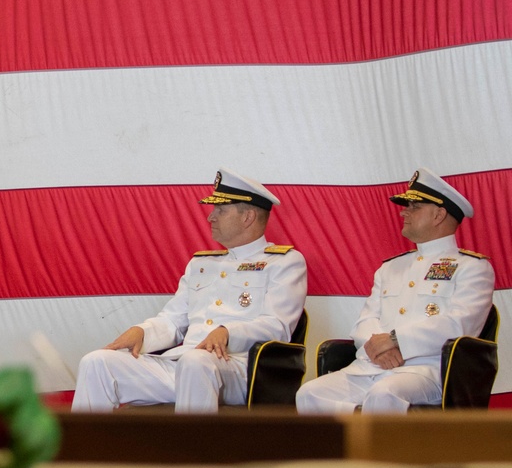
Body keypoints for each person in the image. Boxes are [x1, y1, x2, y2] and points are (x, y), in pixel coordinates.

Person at [71, 168, 307, 413]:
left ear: (247, 217)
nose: (210, 218)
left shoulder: (285, 262)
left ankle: (193, 451)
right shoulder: (201, 264)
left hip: (240, 369)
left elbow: (277, 325)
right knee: (97, 362)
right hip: (183, 363)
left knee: (196, 363)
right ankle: (87, 450)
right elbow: (173, 320)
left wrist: (228, 332)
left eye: (220, 210)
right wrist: (142, 332)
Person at [296, 167, 495, 414]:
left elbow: (459, 325)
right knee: (309, 393)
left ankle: (377, 452)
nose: (404, 212)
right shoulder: (391, 267)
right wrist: (377, 348)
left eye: (415, 207)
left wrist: (395, 340)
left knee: (385, 394)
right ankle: (345, 450)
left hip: (426, 370)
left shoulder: (472, 267)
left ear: (439, 215)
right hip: (373, 365)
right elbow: (365, 320)